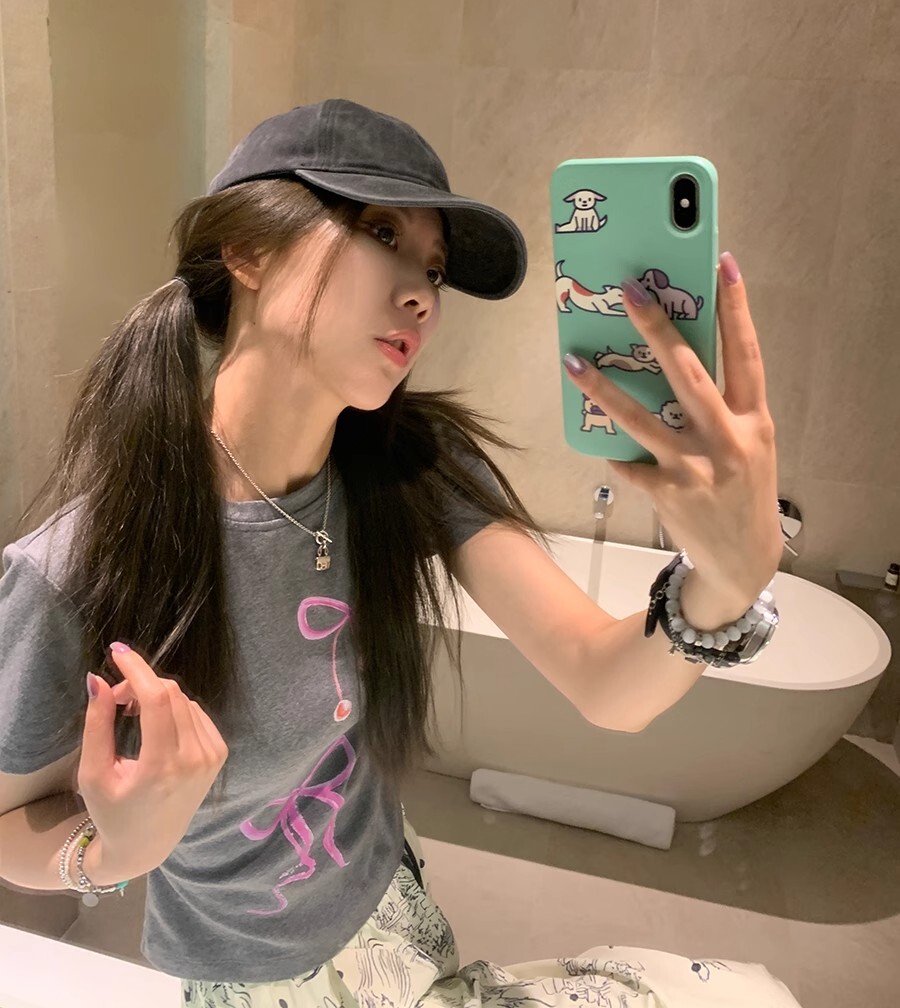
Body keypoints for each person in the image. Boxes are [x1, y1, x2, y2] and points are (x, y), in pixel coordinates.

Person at [0, 100, 801, 1006]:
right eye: (382, 232)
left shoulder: (412, 465)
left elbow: (604, 682)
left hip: (397, 908)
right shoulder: (78, 566)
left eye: (435, 267)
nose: (423, 293)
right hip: (257, 984)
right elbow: (7, 823)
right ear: (249, 251)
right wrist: (113, 853)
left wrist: (720, 585)